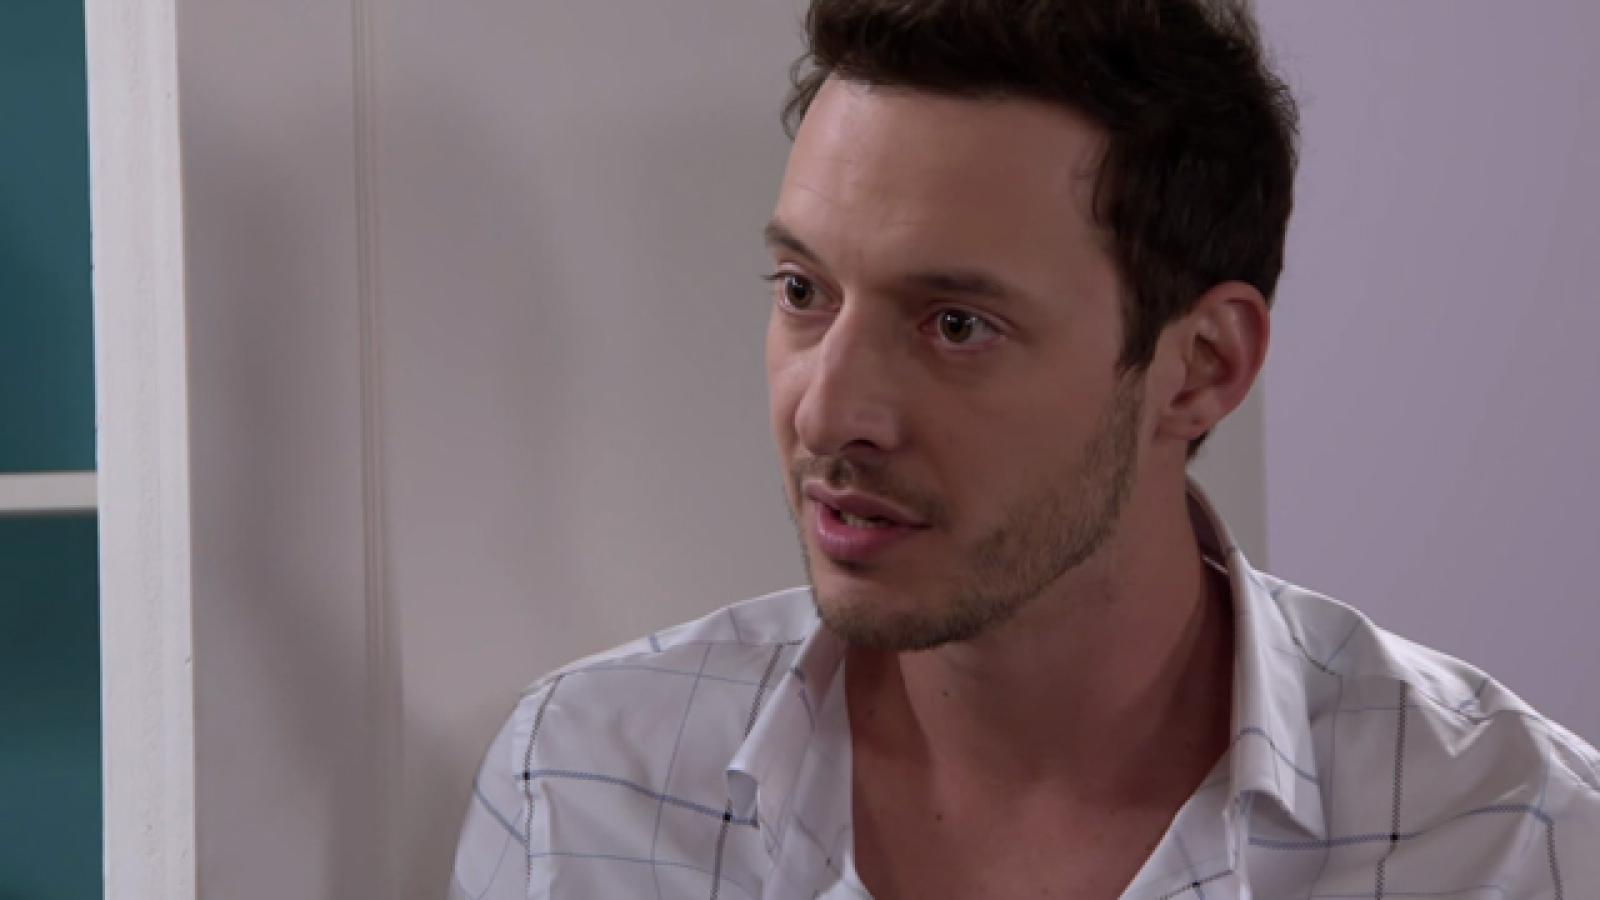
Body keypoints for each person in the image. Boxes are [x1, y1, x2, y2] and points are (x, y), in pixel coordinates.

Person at [449, 0, 1600, 897]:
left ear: (1199, 367)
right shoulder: (581, 791)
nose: (829, 412)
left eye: (956, 325)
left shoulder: (1516, 844)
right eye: (804, 291)